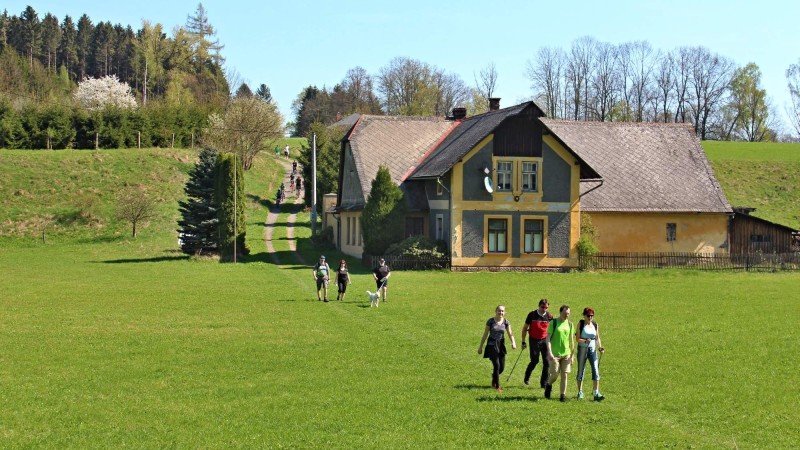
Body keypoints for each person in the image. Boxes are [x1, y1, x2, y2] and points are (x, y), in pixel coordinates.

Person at [478, 305, 517, 392]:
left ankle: (494, 377)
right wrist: (481, 347)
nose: (501, 312)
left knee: (501, 367)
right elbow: (485, 334)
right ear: (496, 311)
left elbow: (510, 333)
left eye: (502, 311)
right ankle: (497, 386)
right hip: (492, 344)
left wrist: (513, 342)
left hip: (501, 344)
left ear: (504, 312)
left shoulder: (506, 322)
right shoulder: (490, 321)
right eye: (499, 310)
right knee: (497, 365)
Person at [544, 304, 575, 402]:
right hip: (555, 354)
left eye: (568, 313)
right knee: (554, 375)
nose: (567, 315)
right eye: (565, 313)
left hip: (566, 354)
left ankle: (562, 396)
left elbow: (572, 341)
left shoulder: (570, 324)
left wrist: (572, 355)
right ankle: (548, 385)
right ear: (560, 312)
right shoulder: (553, 323)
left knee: (565, 375)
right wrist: (549, 352)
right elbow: (548, 339)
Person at [521, 298, 553, 389]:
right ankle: (527, 376)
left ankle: (544, 383)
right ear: (539, 306)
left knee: (546, 362)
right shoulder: (532, 314)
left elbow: (552, 330)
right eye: (542, 307)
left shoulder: (549, 316)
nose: (544, 309)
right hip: (534, 340)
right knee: (535, 361)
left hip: (545, 341)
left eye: (546, 307)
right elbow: (525, 328)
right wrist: (523, 341)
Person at [575, 307, 605, 401]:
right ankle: (580, 392)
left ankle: (596, 392)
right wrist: (584, 341)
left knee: (596, 369)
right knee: (581, 370)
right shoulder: (581, 324)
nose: (590, 317)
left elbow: (597, 337)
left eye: (592, 316)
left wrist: (600, 347)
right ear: (584, 316)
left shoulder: (595, 324)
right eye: (588, 316)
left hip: (592, 350)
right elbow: (577, 339)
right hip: (582, 349)